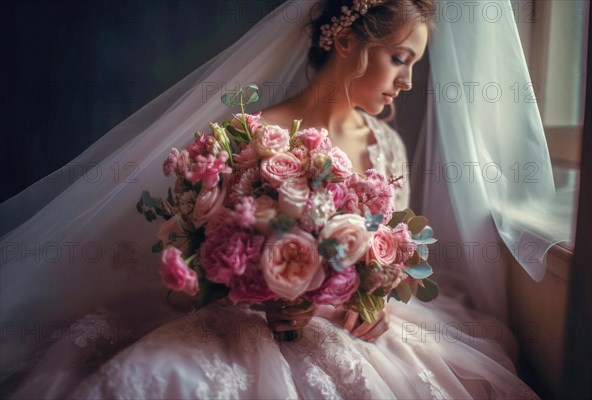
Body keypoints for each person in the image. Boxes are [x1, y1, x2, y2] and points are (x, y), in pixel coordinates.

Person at [1, 0, 545, 398]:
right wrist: (264, 288)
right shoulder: (253, 134)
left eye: (415, 65)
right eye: (400, 58)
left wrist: (373, 302)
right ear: (348, 41)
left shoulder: (386, 146)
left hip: (342, 325)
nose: (406, 82)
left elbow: (387, 252)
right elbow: (205, 244)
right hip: (249, 318)